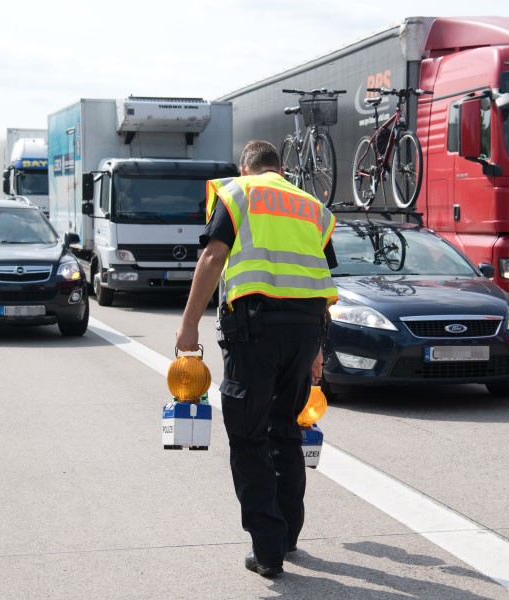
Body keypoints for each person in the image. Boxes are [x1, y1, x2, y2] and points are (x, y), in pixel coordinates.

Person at [175, 140, 338, 578]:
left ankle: (268, 550)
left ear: (245, 167)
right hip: (305, 333)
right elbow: (320, 276)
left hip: (255, 330)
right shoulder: (311, 205)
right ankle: (287, 536)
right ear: (280, 168)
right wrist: (318, 351)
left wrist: (188, 325)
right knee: (284, 431)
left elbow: (213, 257)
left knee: (248, 436)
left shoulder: (239, 192)